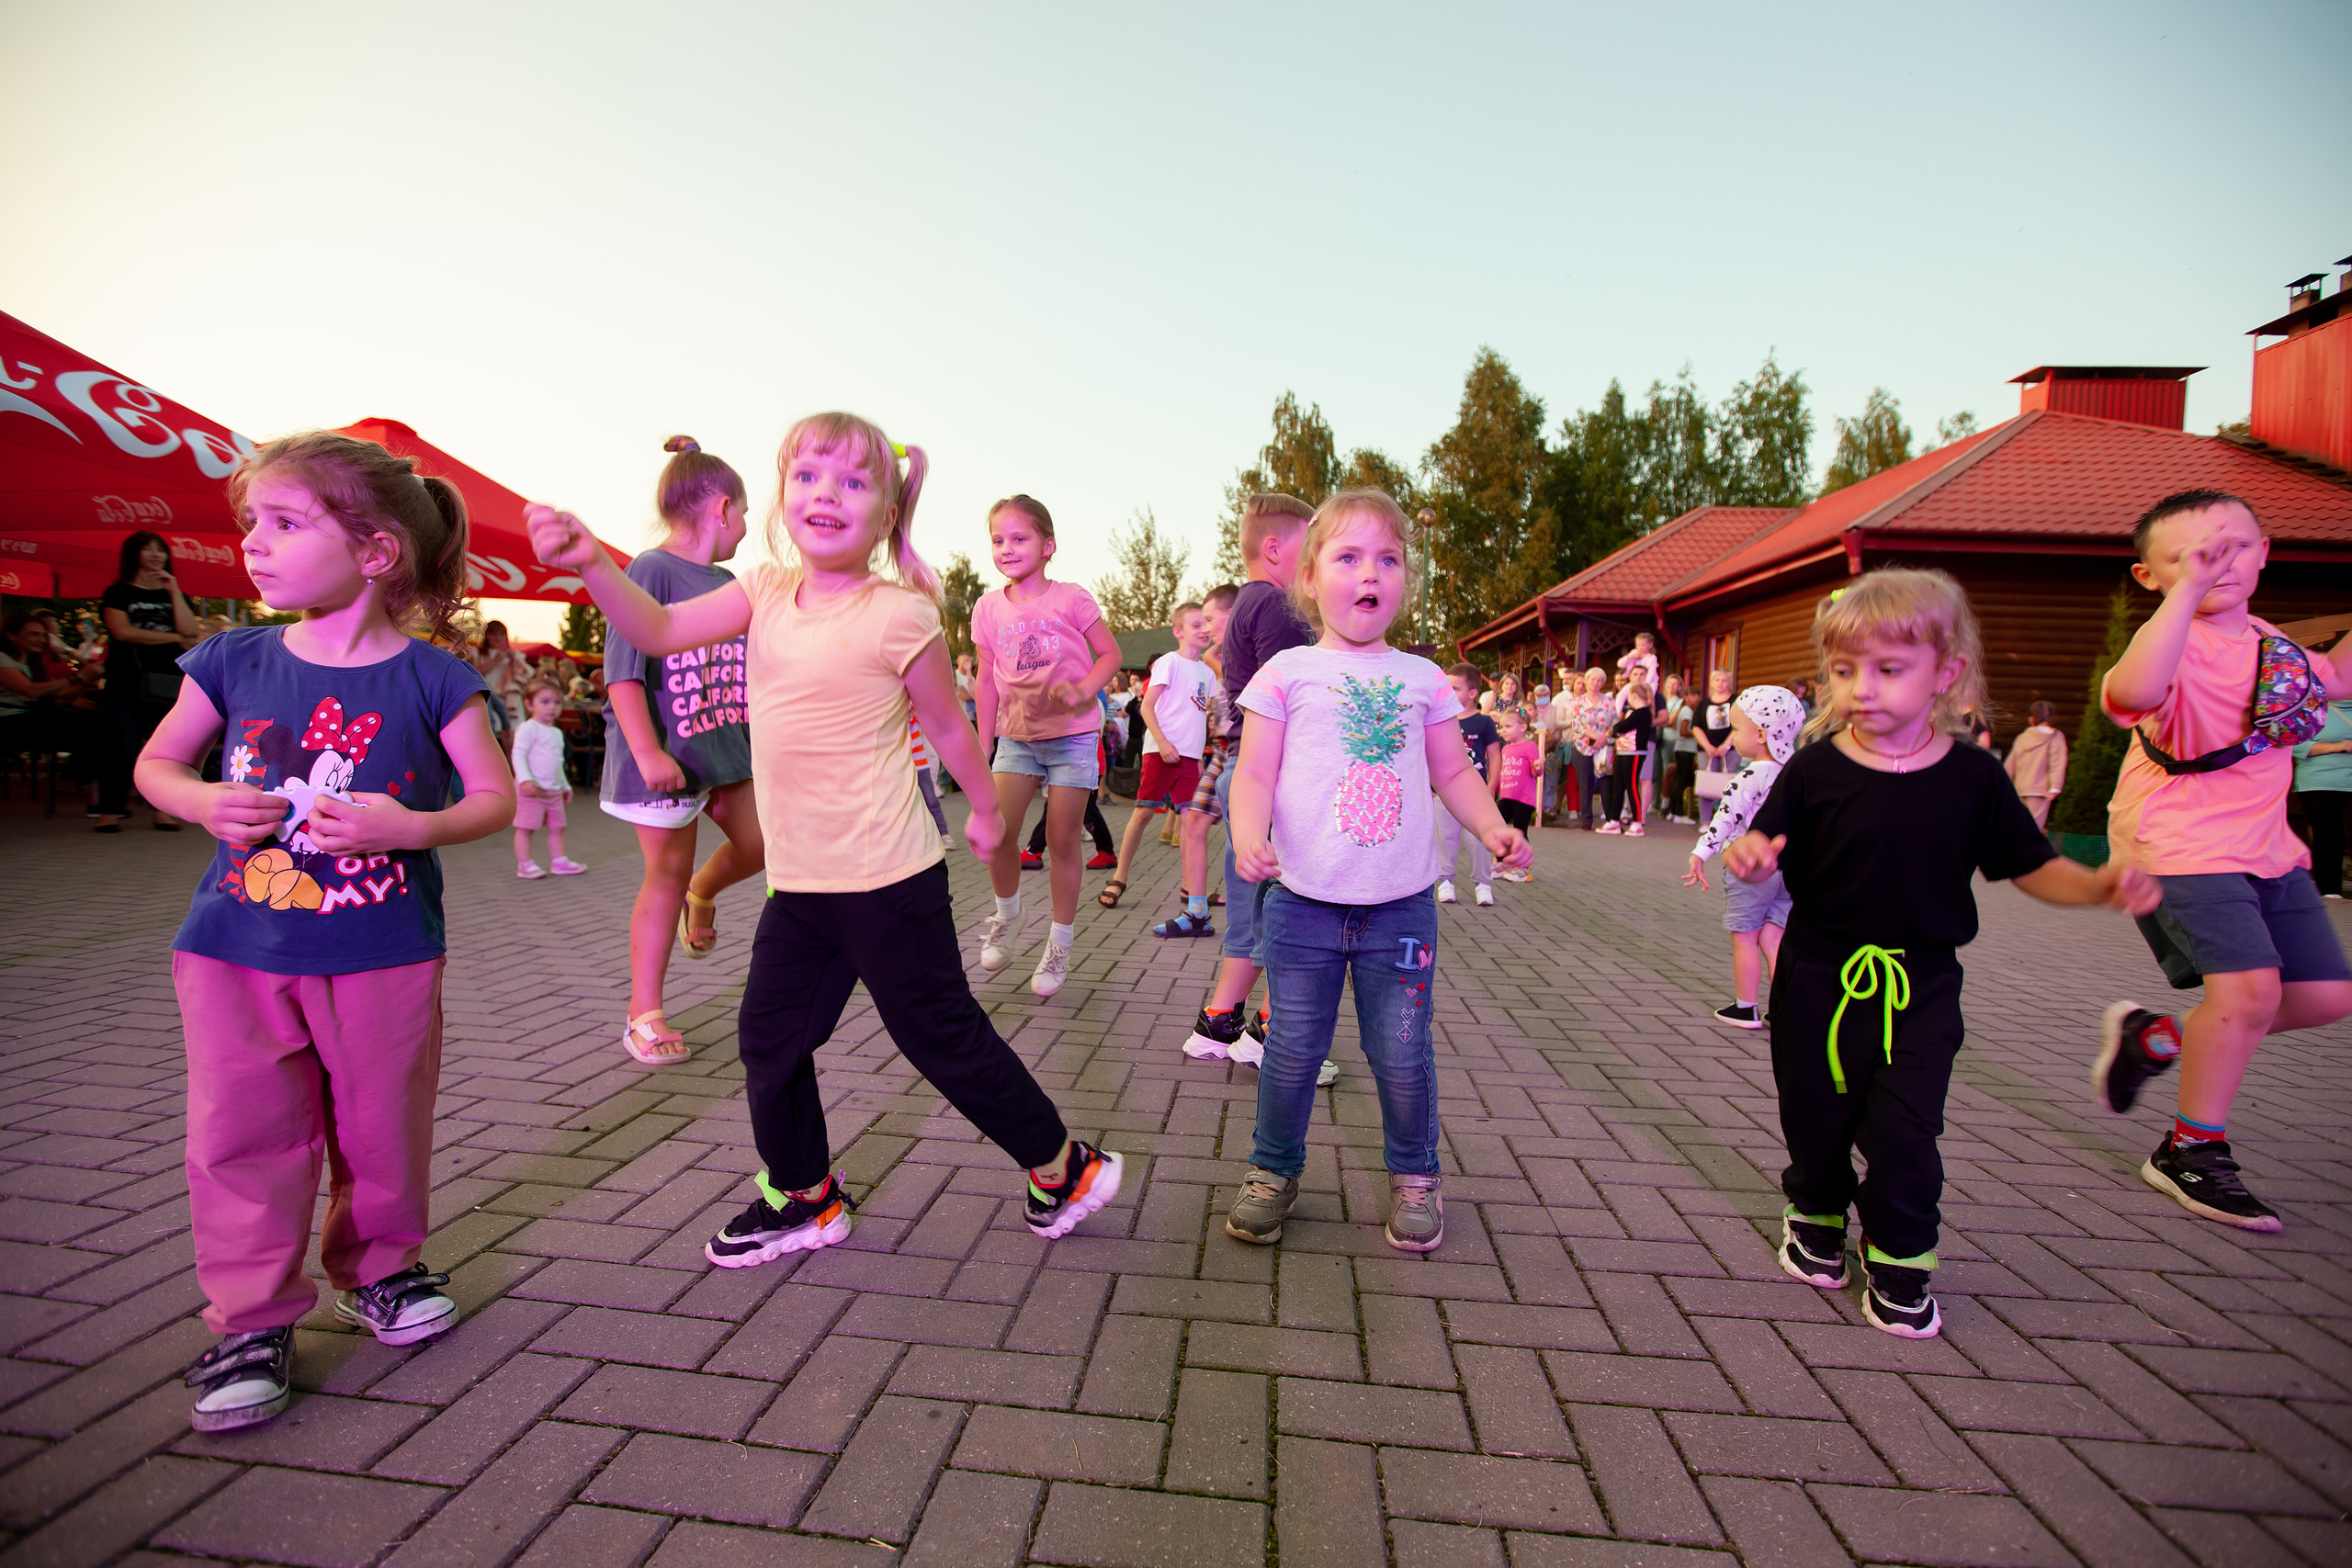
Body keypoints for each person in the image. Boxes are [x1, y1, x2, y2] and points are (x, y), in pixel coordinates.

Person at [525, 411, 1122, 1265]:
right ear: (781, 497)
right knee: (769, 1036)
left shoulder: (898, 615)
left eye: (852, 481)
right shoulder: (762, 590)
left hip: (888, 876)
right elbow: (653, 633)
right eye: (807, 477)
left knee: (941, 1038)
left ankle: (1061, 1168)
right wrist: (590, 562)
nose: (825, 495)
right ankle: (805, 1195)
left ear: (886, 512)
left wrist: (987, 809)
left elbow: (950, 730)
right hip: (800, 885)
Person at [135, 432, 514, 1431]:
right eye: (251, 521)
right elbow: (156, 766)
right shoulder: (228, 658)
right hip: (234, 950)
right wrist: (201, 802)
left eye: (284, 522)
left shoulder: (436, 680)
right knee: (241, 1132)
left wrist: (413, 825)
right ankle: (251, 1320)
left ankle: (382, 1270)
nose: (253, 543)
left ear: (376, 551)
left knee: (380, 1124)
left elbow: (493, 799)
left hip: (382, 951)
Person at [1724, 568, 2155, 1338]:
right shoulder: (1815, 766)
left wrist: (2098, 887)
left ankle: (1900, 1256)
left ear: (1946, 673)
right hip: (1819, 973)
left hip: (1920, 982)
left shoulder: (1975, 779)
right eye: (1846, 669)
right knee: (1816, 1109)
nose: (1862, 687)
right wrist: (1750, 855)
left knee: (1906, 1126)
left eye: (1889, 669)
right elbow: (1762, 843)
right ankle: (1816, 1213)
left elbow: (2033, 866)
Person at [1222, 490, 1532, 1253]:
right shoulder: (1286, 673)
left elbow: (1454, 772)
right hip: (1302, 901)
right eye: (1349, 557)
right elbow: (1254, 773)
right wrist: (1246, 834)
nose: (1371, 573)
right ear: (1310, 577)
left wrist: (1493, 825)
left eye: (1388, 559)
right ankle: (1272, 1169)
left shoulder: (1422, 678)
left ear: (1404, 581)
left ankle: (1416, 1175)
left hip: (1400, 905)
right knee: (1292, 1046)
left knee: (1401, 1047)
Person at [2090, 490, 2352, 1233]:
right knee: (2249, 993)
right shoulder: (2173, 640)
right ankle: (2191, 1150)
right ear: (2149, 576)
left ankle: (2158, 1037)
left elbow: (2336, 679)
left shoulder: (2271, 641)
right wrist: (2187, 596)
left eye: (2233, 547)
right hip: (2177, 841)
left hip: (2267, 848)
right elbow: (2133, 691)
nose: (2216, 565)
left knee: (2328, 996)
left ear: (2265, 551)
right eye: (2190, 557)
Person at [600, 437, 764, 1067]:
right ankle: (645, 1014)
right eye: (744, 513)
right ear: (721, 508)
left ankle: (706, 890)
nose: (746, 527)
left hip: (726, 750)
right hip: (666, 762)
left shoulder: (727, 583)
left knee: (757, 846)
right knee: (661, 877)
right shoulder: (650, 570)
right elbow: (622, 672)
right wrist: (647, 754)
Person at [1182, 494, 1317, 1066]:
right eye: (1313, 546)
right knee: (1287, 904)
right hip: (1272, 767)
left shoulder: (1246, 604)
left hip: (1245, 765)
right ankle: (1269, 1033)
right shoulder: (1280, 607)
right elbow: (1292, 697)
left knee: (1250, 905)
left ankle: (1218, 1023)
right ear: (1275, 548)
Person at [972, 494, 1123, 997]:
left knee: (1061, 843)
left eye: (1020, 538)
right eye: (998, 540)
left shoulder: (1071, 598)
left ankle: (1058, 946)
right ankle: (1008, 915)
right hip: (1017, 739)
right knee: (998, 836)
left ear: (1047, 546)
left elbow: (1110, 655)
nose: (1007, 548)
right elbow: (987, 683)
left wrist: (1083, 692)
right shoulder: (988, 608)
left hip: (1073, 737)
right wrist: (981, 743)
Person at [1683, 686, 1804, 1028]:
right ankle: (1786, 1009)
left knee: (1745, 938)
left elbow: (1725, 819)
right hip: (1783, 869)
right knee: (1774, 936)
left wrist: (1700, 853)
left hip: (1747, 867)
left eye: (1737, 729)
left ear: (1761, 734)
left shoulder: (1749, 776)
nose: (1733, 737)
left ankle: (1745, 1006)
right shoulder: (1794, 776)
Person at [1103, 603, 1215, 916]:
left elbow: (1210, 716)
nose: (1204, 629)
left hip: (1191, 759)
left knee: (1192, 825)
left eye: (1206, 623)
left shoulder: (1208, 672)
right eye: (1196, 625)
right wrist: (1164, 743)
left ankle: (1191, 887)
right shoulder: (1169, 662)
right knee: (1142, 814)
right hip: (1160, 753)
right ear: (1178, 632)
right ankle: (1119, 877)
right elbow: (1147, 707)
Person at [96, 530, 202, 831]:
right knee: (122, 745)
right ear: (134, 554)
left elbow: (189, 632)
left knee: (167, 749)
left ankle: (164, 810)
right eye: (148, 549)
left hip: (168, 681)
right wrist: (172, 638)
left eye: (161, 550)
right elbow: (122, 632)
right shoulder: (118, 592)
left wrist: (173, 589)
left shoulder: (175, 593)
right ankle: (109, 810)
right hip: (125, 681)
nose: (156, 555)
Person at [1435, 663, 1500, 907]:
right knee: (1446, 837)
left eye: (1455, 688)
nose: (1448, 692)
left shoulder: (1484, 722)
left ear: (1472, 693)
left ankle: (1482, 884)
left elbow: (1494, 755)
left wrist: (1491, 787)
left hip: (1476, 792)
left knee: (1479, 838)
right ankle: (1445, 881)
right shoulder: (1441, 719)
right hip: (1444, 792)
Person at [511, 678, 583, 879]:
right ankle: (524, 864)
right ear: (528, 704)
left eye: (556, 702)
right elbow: (518, 754)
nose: (552, 707)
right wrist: (525, 780)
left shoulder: (556, 733)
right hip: (532, 790)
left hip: (553, 790)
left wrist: (565, 785)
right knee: (526, 827)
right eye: (545, 701)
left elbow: (557, 762)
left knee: (558, 827)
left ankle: (559, 861)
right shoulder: (528, 728)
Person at [2294, 696, 2352, 899]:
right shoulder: (2311, 707)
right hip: (2318, 782)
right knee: (2328, 836)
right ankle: (2329, 892)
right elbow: (2292, 744)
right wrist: (2339, 746)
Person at [1600, 677, 1654, 835]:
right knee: (1618, 785)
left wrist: (1616, 728)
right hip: (1623, 751)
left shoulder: (1643, 712)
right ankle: (1614, 821)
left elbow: (1622, 726)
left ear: (1634, 696)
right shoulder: (1634, 712)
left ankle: (1637, 822)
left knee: (1631, 785)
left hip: (1635, 752)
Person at [1492, 706, 1541, 879]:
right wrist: (1493, 790)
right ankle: (1501, 862)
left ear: (1522, 727)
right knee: (1498, 829)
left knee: (1520, 831)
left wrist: (1538, 768)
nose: (1503, 730)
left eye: (1508, 726)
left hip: (1524, 799)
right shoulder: (1505, 749)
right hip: (1506, 797)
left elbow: (1536, 772)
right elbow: (1501, 773)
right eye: (1502, 726)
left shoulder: (1530, 746)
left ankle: (1523, 867)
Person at [2004, 701, 2068, 829]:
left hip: (2020, 788)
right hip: (2040, 790)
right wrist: (2055, 787)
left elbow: (2010, 764)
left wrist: (2004, 784)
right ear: (2053, 718)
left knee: (2019, 825)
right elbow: (2058, 762)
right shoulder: (2056, 737)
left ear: (2031, 719)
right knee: (2033, 828)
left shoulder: (2022, 737)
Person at [1566, 666, 1613, 829]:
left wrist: (1604, 738)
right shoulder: (1578, 701)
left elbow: (1614, 722)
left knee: (1605, 782)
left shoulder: (1609, 701)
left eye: (1599, 680)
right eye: (1593, 679)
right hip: (1582, 746)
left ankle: (1610, 819)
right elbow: (1576, 724)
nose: (1596, 682)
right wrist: (1595, 737)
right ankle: (1587, 819)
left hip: (1603, 747)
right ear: (1586, 681)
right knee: (1585, 783)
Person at [473, 620, 529, 734]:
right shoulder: (476, 653)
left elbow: (525, 678)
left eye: (501, 635)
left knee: (512, 732)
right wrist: (495, 661)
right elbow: (475, 673)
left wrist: (514, 661)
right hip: (488, 697)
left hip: (509, 700)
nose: (498, 638)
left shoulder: (516, 655)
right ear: (486, 635)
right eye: (494, 634)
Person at [1657, 673, 1697, 823]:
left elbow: (1673, 723)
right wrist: (1698, 732)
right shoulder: (1687, 710)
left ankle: (1672, 810)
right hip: (1685, 749)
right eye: (1694, 695)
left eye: (1698, 695)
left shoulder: (1683, 707)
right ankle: (1677, 812)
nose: (1697, 699)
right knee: (1679, 779)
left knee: (1674, 776)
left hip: (1678, 745)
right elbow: (1683, 730)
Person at [1617, 630, 1661, 697]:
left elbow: (1651, 674)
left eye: (1643, 645)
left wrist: (1644, 684)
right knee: (1621, 695)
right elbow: (1620, 664)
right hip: (1634, 682)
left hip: (1649, 683)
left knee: (1648, 695)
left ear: (1650, 645)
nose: (1640, 647)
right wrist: (1630, 657)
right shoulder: (1634, 653)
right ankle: (1618, 708)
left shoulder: (1652, 658)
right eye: (1638, 644)